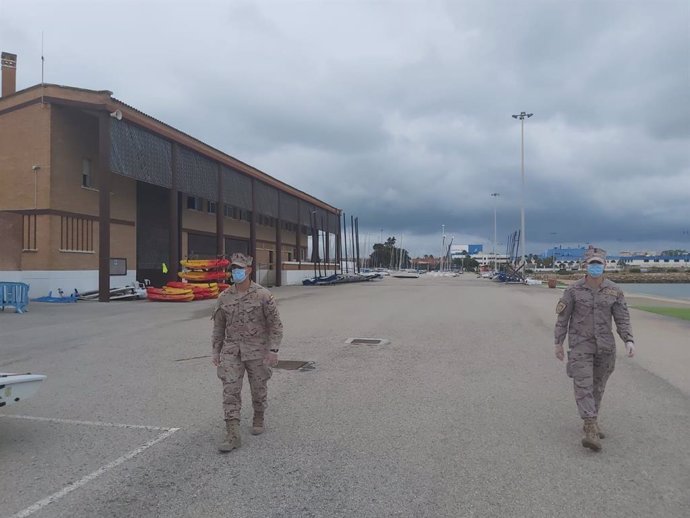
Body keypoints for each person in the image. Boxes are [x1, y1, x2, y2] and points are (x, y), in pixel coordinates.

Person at [554, 246, 635, 451]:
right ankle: (590, 426)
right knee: (583, 385)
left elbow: (622, 318)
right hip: (580, 345)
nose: (595, 267)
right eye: (592, 263)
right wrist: (558, 343)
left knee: (597, 387)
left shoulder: (614, 290)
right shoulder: (573, 290)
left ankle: (592, 419)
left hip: (605, 347)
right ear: (586, 265)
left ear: (605, 265)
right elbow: (563, 318)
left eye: (599, 263)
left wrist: (628, 340)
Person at [211, 253, 283, 452]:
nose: (236, 272)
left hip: (258, 351)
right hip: (231, 351)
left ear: (249, 270)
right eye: (233, 269)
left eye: (240, 269)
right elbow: (218, 327)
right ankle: (232, 434)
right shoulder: (224, 297)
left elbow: (275, 325)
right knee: (230, 391)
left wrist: (273, 350)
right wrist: (216, 351)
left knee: (258, 389)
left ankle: (258, 414)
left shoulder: (263, 295)